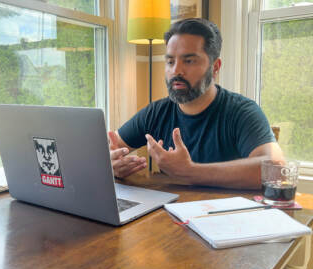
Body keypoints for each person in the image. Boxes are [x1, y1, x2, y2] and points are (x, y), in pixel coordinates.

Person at [108, 18, 283, 189]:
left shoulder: (242, 111)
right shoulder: (156, 112)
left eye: (189, 61)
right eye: (170, 62)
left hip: (228, 215)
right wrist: (111, 163)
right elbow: (110, 149)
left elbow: (275, 170)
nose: (176, 70)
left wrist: (190, 172)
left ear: (215, 67)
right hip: (169, 214)